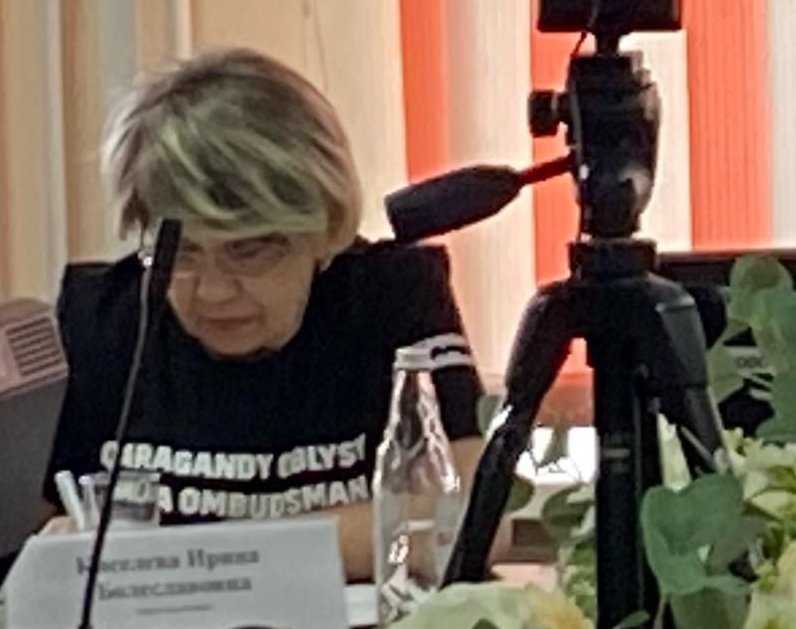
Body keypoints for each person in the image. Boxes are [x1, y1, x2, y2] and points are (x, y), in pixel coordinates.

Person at [53, 50, 481, 577]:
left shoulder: (391, 297)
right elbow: (33, 539)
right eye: (182, 253)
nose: (212, 291)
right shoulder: (100, 319)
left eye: (249, 251)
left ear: (322, 231)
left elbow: (468, 520)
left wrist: (186, 556)